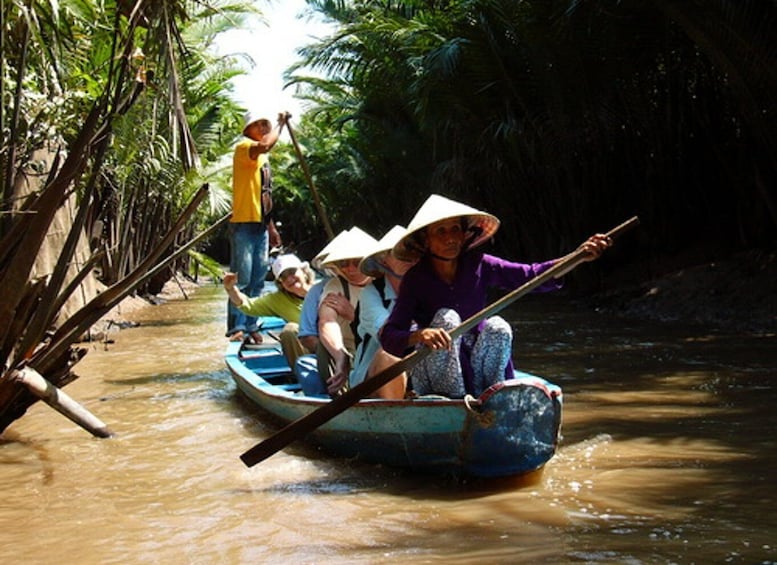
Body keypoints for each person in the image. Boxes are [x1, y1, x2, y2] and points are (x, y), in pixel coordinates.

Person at [380, 194, 612, 399]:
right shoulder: (415, 279)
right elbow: (390, 336)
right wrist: (420, 335)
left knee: (498, 325)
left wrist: (578, 256)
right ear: (426, 240)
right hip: (435, 371)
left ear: (464, 235)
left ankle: (493, 394)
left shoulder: (480, 264)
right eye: (440, 231)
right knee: (447, 318)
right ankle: (454, 400)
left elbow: (531, 275)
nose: (450, 238)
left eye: (455, 229)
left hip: (477, 364)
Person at [226, 111, 289, 344]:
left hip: (260, 225)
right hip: (242, 223)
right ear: (248, 128)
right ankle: (237, 327)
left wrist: (271, 228)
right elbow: (264, 146)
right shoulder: (244, 147)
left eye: (267, 124)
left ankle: (252, 324)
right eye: (259, 124)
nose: (264, 127)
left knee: (258, 280)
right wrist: (280, 125)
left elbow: (265, 197)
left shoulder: (263, 160)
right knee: (241, 279)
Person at [354, 225, 417, 399]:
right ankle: (394, 421)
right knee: (389, 355)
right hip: (371, 380)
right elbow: (390, 336)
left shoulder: (429, 287)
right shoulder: (371, 294)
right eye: (400, 253)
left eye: (414, 252)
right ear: (384, 261)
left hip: (419, 372)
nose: (410, 258)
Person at [315, 227, 378, 397]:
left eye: (356, 262)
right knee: (324, 347)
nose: (350, 269)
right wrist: (340, 356)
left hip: (378, 351)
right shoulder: (336, 286)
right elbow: (327, 322)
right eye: (344, 263)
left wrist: (353, 315)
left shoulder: (384, 282)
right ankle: (340, 396)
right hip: (349, 353)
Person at [223, 253, 314, 367]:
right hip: (309, 352)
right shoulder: (278, 300)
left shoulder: (324, 289)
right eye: (283, 277)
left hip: (332, 346)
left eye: (292, 272)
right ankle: (306, 375)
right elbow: (247, 304)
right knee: (290, 330)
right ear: (280, 283)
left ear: (304, 272)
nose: (289, 279)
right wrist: (230, 288)